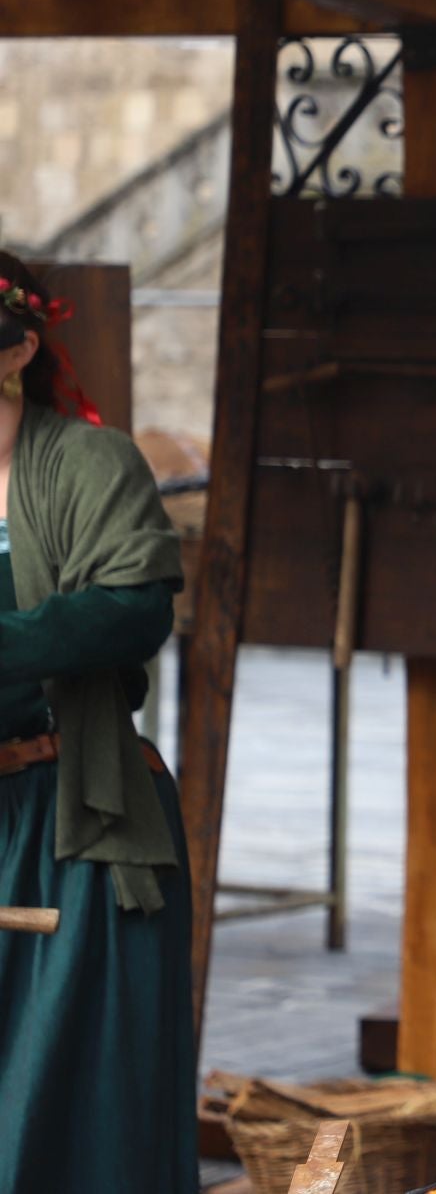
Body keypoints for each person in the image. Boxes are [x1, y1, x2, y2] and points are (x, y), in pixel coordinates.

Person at [0, 253, 193, 1191]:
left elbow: (132, 608)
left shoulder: (86, 459)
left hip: (74, 815)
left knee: (79, 1111)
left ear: (18, 348)